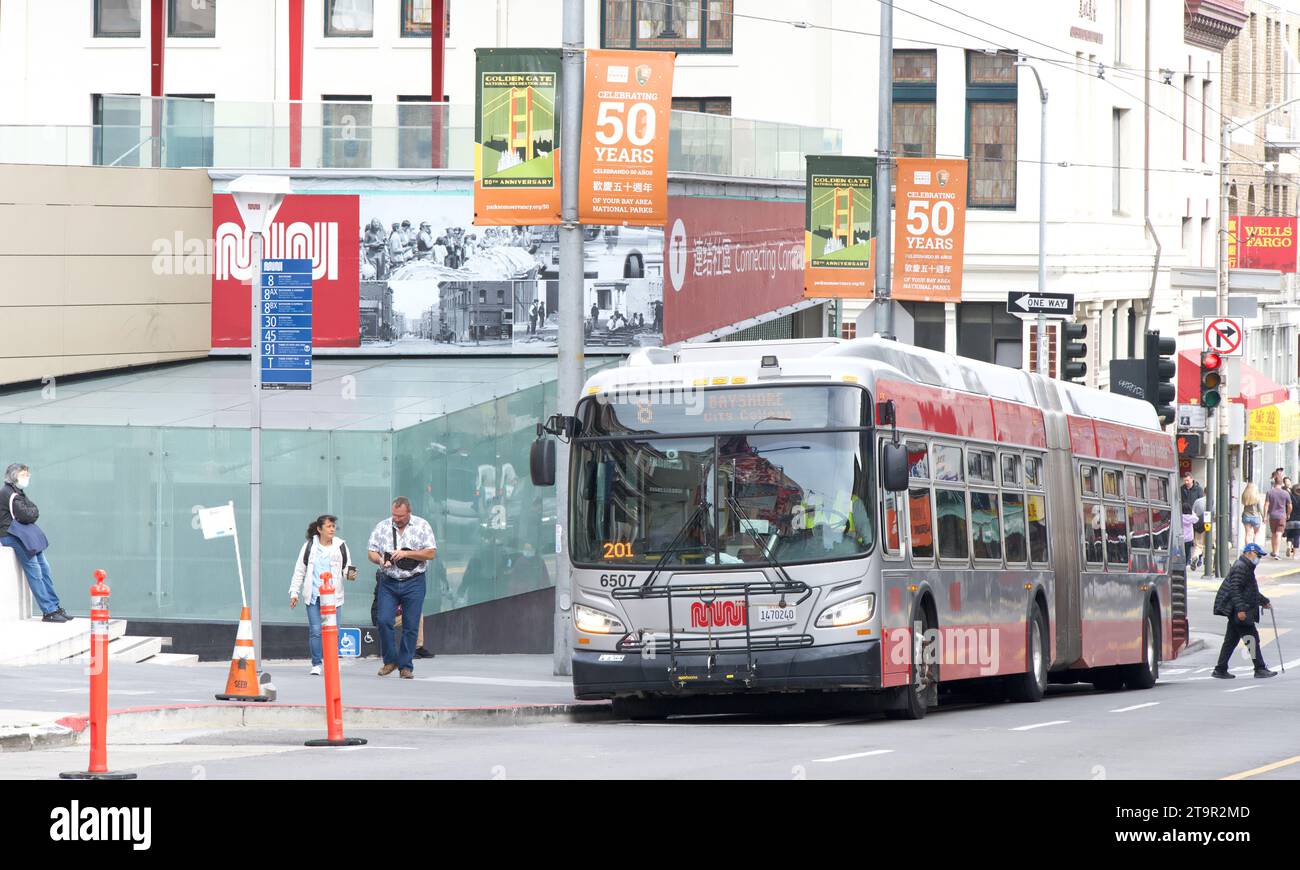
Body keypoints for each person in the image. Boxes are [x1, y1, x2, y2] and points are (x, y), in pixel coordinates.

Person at [367, 497, 437, 678]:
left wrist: (406, 553)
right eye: (394, 515)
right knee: (383, 620)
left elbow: (431, 553)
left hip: (414, 581)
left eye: (400, 516)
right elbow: (371, 552)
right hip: (388, 581)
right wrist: (380, 559)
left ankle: (406, 666)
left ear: (409, 513)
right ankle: (390, 660)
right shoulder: (383, 526)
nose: (396, 519)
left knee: (411, 624)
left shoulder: (422, 526)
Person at [288, 515, 357, 676]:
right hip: (313, 595)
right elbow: (300, 570)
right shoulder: (309, 546)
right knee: (316, 630)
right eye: (328, 526)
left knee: (334, 631)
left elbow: (346, 569)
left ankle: (332, 661)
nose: (332, 529)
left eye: (333, 526)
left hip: (334, 597)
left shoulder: (341, 546)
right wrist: (294, 592)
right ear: (319, 529)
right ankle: (317, 664)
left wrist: (350, 574)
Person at [0, 463, 68, 623]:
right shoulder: (7, 493)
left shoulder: (17, 492)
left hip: (22, 535)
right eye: (24, 475)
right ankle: (49, 611)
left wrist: (31, 512)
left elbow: (32, 511)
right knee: (35, 571)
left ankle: (55, 606)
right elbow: (26, 514)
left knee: (44, 568)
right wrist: (31, 512)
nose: (27, 478)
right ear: (14, 475)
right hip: (11, 535)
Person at [1212, 543, 1277, 679]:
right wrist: (1241, 610)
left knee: (1231, 640)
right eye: (1257, 555)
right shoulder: (1241, 568)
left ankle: (1220, 669)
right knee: (1252, 639)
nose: (1258, 559)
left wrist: (1264, 601)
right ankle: (1259, 668)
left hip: (1239, 609)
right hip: (1240, 610)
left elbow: (1250, 591)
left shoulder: (1246, 567)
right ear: (1249, 553)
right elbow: (1235, 590)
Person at [1179, 472, 1202, 564]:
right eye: (1185, 480)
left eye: (1187, 480)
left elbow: (1200, 501)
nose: (1186, 482)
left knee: (1198, 540)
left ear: (1192, 479)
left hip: (1194, 515)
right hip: (1186, 514)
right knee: (1188, 541)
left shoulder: (1198, 489)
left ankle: (1198, 559)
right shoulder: (1182, 489)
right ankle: (1188, 559)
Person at [1265, 479, 1292, 559]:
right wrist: (1288, 514)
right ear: (1282, 483)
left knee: (1273, 533)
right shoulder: (1285, 493)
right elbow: (1290, 506)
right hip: (1281, 516)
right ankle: (1277, 553)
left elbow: (1266, 504)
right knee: (1279, 534)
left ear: (1274, 483)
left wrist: (1265, 516)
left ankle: (1273, 551)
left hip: (1272, 516)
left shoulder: (1269, 492)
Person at [1240, 482, 1263, 546]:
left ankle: (1247, 549)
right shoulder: (1257, 497)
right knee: (1256, 534)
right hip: (1255, 516)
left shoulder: (1244, 496)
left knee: (1247, 534)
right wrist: (1264, 517)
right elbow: (1260, 508)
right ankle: (1254, 549)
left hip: (1246, 515)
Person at [1287, 484, 1300, 558]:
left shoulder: (1290, 497)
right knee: (1297, 537)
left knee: (1289, 535)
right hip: (1299, 521)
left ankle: (1289, 545)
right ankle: (1294, 555)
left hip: (1290, 520)